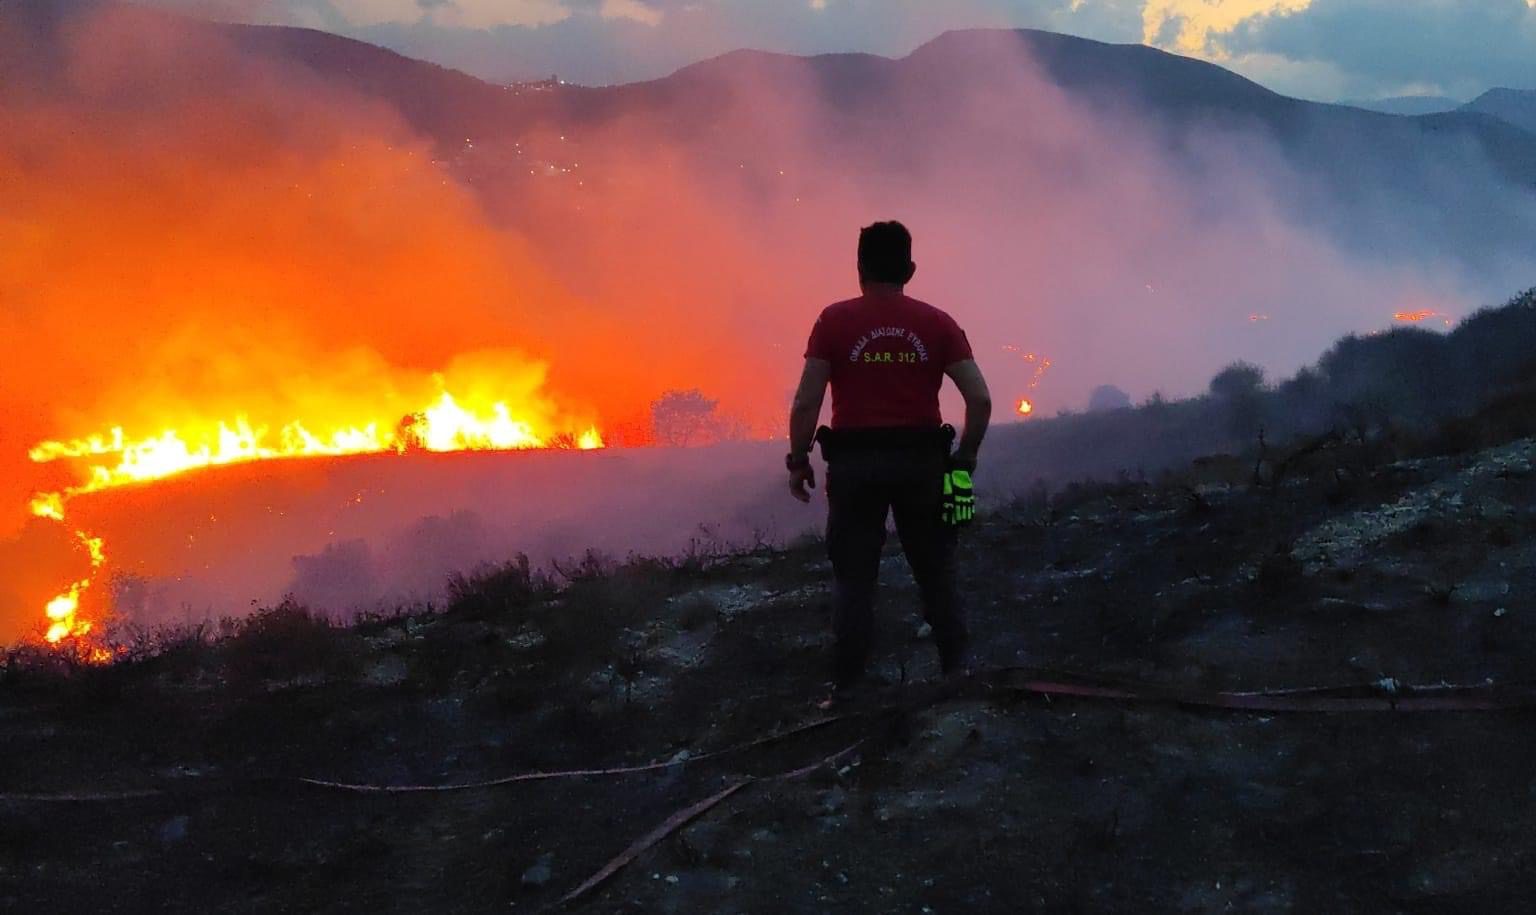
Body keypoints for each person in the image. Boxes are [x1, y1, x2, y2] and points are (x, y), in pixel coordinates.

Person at [786, 220, 993, 701]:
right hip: (923, 463)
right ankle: (957, 674)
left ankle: (849, 688)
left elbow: (805, 402)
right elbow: (979, 400)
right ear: (911, 269)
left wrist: (798, 461)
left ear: (859, 269)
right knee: (936, 569)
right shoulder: (938, 323)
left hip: (855, 466)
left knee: (854, 578)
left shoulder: (833, 321)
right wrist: (965, 459)